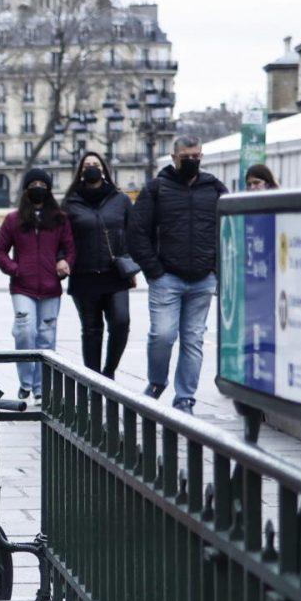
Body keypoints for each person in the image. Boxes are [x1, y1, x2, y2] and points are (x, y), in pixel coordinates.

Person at [127, 133, 226, 412]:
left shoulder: (214, 189)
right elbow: (136, 232)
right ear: (174, 157)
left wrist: (215, 268)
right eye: (187, 158)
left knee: (193, 339)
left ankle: (185, 398)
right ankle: (157, 382)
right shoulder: (157, 188)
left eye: (197, 157)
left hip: (203, 278)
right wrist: (154, 270)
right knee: (162, 335)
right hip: (167, 277)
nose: (193, 162)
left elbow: (228, 229)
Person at [0, 169, 73, 398]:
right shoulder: (13, 220)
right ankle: (26, 383)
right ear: (27, 190)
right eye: (34, 184)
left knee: (47, 336)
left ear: (48, 190)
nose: (39, 188)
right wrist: (15, 269)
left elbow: (69, 248)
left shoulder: (59, 219)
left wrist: (65, 263)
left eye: (43, 184)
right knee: (25, 331)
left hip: (51, 287)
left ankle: (41, 388)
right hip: (22, 287)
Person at [64, 150, 137, 378]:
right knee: (91, 330)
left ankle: (109, 372)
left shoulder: (121, 200)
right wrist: (61, 259)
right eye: (87, 166)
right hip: (83, 275)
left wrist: (132, 262)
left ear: (104, 169)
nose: (92, 168)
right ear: (80, 172)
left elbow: (135, 232)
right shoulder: (70, 203)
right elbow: (61, 236)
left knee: (121, 322)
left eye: (96, 164)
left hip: (115, 273)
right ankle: (93, 380)